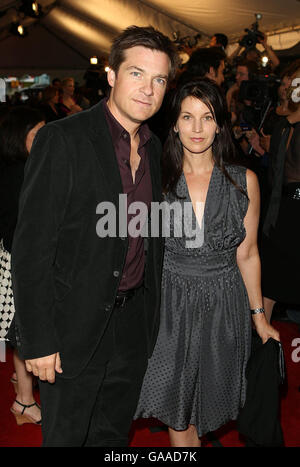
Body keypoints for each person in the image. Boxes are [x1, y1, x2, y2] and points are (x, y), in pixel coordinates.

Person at [10, 25, 179, 447]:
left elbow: (147, 240)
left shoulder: (156, 147)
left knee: (112, 438)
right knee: (67, 437)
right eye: (137, 73)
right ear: (111, 75)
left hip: (133, 326)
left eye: (159, 79)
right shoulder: (62, 139)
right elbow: (31, 249)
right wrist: (40, 338)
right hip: (72, 328)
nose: (148, 89)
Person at [134, 78, 279, 447]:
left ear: (219, 124)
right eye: (187, 117)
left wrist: (259, 317)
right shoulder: (156, 180)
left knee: (205, 406)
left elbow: (247, 254)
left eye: (207, 117)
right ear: (175, 124)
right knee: (176, 409)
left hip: (223, 305)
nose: (197, 128)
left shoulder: (243, 181)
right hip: (171, 305)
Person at [0, 106, 45, 425]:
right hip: (20, 261)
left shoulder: (22, 167)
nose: (45, 138)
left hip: (16, 257)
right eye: (37, 133)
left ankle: (22, 383)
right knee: (24, 330)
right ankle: (24, 402)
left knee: (22, 330)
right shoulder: (20, 173)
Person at [260, 66, 300, 323]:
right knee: (272, 286)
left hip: (285, 211)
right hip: (287, 211)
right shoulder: (284, 128)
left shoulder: (285, 128)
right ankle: (261, 354)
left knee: (272, 287)